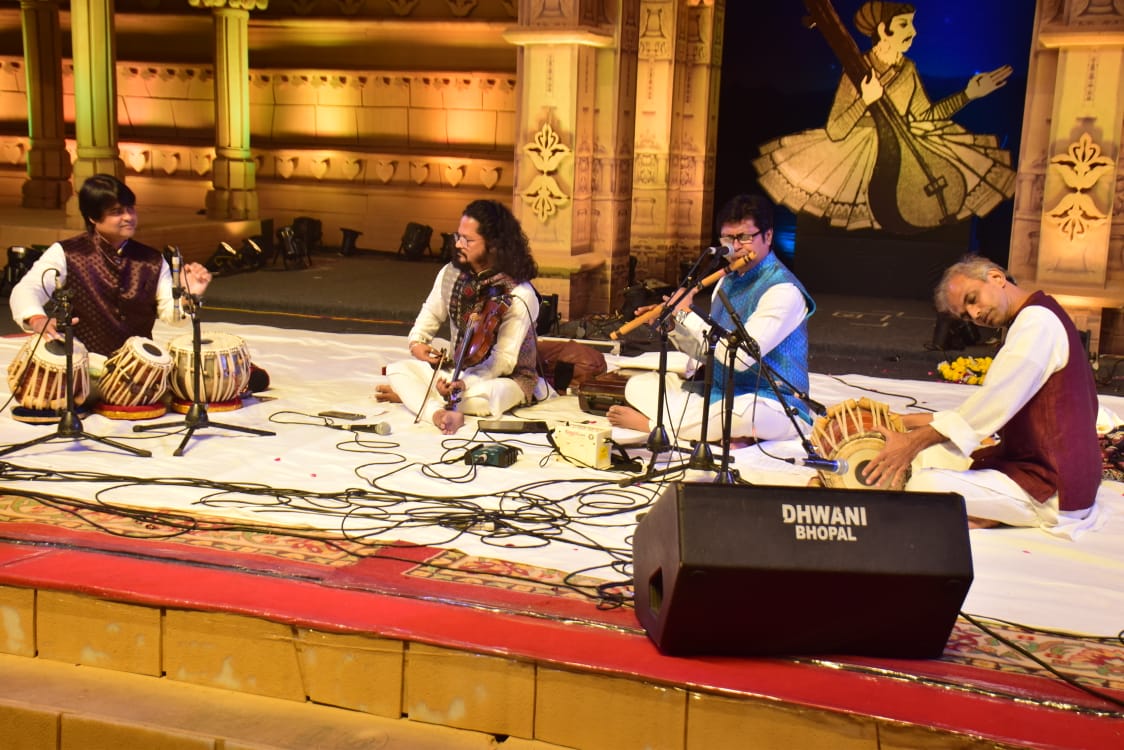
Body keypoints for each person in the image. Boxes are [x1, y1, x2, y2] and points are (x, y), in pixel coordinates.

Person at [863, 256, 1102, 534]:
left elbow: (996, 401)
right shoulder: (1037, 314)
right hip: (1042, 467)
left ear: (997, 278)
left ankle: (1000, 514)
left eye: (972, 299)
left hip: (1056, 489)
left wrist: (913, 441)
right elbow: (991, 406)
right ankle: (991, 509)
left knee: (923, 484)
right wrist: (905, 422)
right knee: (928, 457)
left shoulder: (1037, 323)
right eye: (966, 315)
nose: (975, 314)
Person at [755, 1, 1015, 231]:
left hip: (905, 142)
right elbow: (835, 129)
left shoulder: (907, 68)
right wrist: (865, 101)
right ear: (883, 30)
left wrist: (968, 94)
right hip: (859, 151)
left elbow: (925, 116)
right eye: (903, 24)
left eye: (911, 24)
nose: (913, 32)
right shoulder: (856, 68)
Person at [606, 194, 815, 443]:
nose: (735, 247)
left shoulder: (783, 290)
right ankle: (718, 433)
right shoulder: (726, 281)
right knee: (639, 385)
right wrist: (673, 325)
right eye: (728, 239)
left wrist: (686, 312)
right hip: (719, 395)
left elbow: (740, 358)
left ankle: (654, 426)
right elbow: (708, 351)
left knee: (743, 415)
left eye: (744, 237)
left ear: (768, 236)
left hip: (770, 401)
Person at [375, 200, 551, 434]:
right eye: (458, 237)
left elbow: (503, 361)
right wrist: (417, 343)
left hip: (504, 379)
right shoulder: (450, 273)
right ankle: (437, 413)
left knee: (484, 398)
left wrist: (463, 384)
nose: (458, 244)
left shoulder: (520, 293)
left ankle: (418, 398)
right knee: (398, 369)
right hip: (454, 372)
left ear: (494, 245)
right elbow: (430, 313)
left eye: (468, 240)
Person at [9, 173, 212, 358]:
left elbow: (173, 318)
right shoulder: (68, 253)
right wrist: (36, 318)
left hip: (137, 365)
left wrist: (187, 296)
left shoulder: (152, 260)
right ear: (92, 217)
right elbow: (27, 289)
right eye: (116, 211)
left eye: (130, 209)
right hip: (82, 362)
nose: (128, 217)